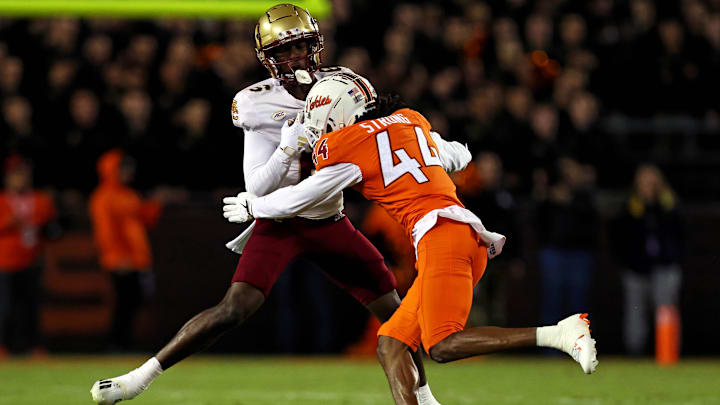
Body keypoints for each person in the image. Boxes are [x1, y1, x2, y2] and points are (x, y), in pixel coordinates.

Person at [91, 5, 440, 405]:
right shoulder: (256, 102)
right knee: (234, 309)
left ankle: (426, 399)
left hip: (329, 218)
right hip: (280, 221)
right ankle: (139, 377)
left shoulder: (346, 87)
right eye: (286, 51)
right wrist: (290, 148)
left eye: (304, 46)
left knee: (396, 313)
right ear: (268, 60)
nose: (297, 58)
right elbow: (257, 186)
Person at [222, 72, 598, 404]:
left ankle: (560, 333)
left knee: (443, 345)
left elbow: (303, 195)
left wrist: (256, 206)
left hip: (441, 238)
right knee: (390, 345)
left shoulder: (347, 144)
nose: (319, 132)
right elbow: (458, 154)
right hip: (461, 233)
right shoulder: (409, 121)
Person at [89, 149, 162, 351]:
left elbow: (143, 220)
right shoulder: (103, 197)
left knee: (133, 302)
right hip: (120, 261)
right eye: (123, 169)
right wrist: (118, 257)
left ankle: (123, 342)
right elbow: (105, 232)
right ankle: (116, 343)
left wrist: (155, 204)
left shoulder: (129, 195)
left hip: (137, 260)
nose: (128, 173)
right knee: (123, 303)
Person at [613, 164, 683, 356]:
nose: (648, 186)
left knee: (666, 311)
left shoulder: (669, 203)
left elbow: (680, 233)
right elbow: (620, 236)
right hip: (636, 269)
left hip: (665, 267)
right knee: (635, 315)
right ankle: (635, 353)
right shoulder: (630, 205)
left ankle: (669, 353)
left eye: (652, 181)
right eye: (644, 181)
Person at [0, 155, 56, 358]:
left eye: (23, 175)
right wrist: (9, 222)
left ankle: (36, 346)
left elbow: (51, 227)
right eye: (16, 175)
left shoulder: (40, 199)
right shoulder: (3, 201)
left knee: (32, 307)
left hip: (32, 259)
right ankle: (3, 346)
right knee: (5, 308)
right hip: (5, 262)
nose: (20, 179)